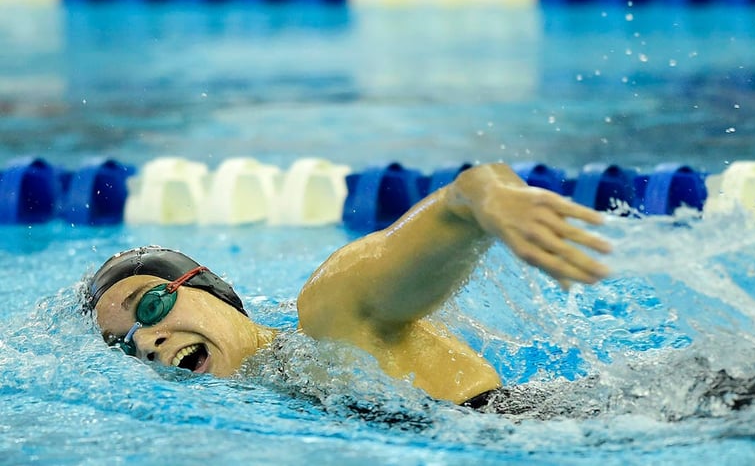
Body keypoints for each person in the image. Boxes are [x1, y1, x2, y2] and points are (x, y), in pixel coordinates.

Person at [84, 163, 613, 408]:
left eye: (150, 306)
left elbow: (463, 198)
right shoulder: (269, 390)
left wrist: (485, 200)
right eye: (125, 345)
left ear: (213, 290)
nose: (146, 342)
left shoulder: (330, 317)